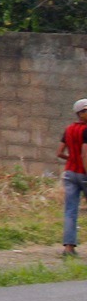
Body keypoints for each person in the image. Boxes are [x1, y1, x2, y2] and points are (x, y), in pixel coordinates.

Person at [56, 98, 87, 257]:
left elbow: (60, 152)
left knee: (70, 211)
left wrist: (71, 159)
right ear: (80, 113)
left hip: (69, 174)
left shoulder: (69, 129)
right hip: (84, 173)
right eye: (86, 111)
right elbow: (85, 154)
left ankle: (68, 248)